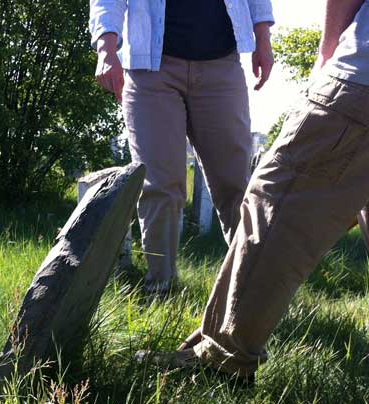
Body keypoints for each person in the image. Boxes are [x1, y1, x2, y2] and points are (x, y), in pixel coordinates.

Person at [141, 0, 369, 384]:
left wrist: (327, 57)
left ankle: (221, 358)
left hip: (361, 80)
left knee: (275, 201)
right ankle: (162, 287)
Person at [89, 0, 275, 293]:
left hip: (221, 66)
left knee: (236, 186)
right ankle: (161, 289)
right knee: (161, 185)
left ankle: (251, 295)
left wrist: (263, 38)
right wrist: (106, 50)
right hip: (150, 69)